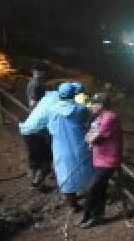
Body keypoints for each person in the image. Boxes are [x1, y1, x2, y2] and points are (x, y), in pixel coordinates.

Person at [20, 82, 93, 212]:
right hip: (77, 145)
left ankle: (72, 205)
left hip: (60, 146)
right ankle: (90, 196)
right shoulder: (79, 109)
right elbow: (86, 119)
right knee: (84, 170)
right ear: (74, 94)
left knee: (64, 173)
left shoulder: (52, 109)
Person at [81, 93, 122, 227]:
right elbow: (87, 137)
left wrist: (91, 138)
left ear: (101, 105)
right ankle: (96, 216)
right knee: (100, 188)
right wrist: (91, 137)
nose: (92, 106)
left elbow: (92, 138)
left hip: (108, 160)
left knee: (92, 188)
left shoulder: (110, 117)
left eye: (94, 103)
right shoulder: (99, 117)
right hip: (99, 159)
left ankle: (88, 216)